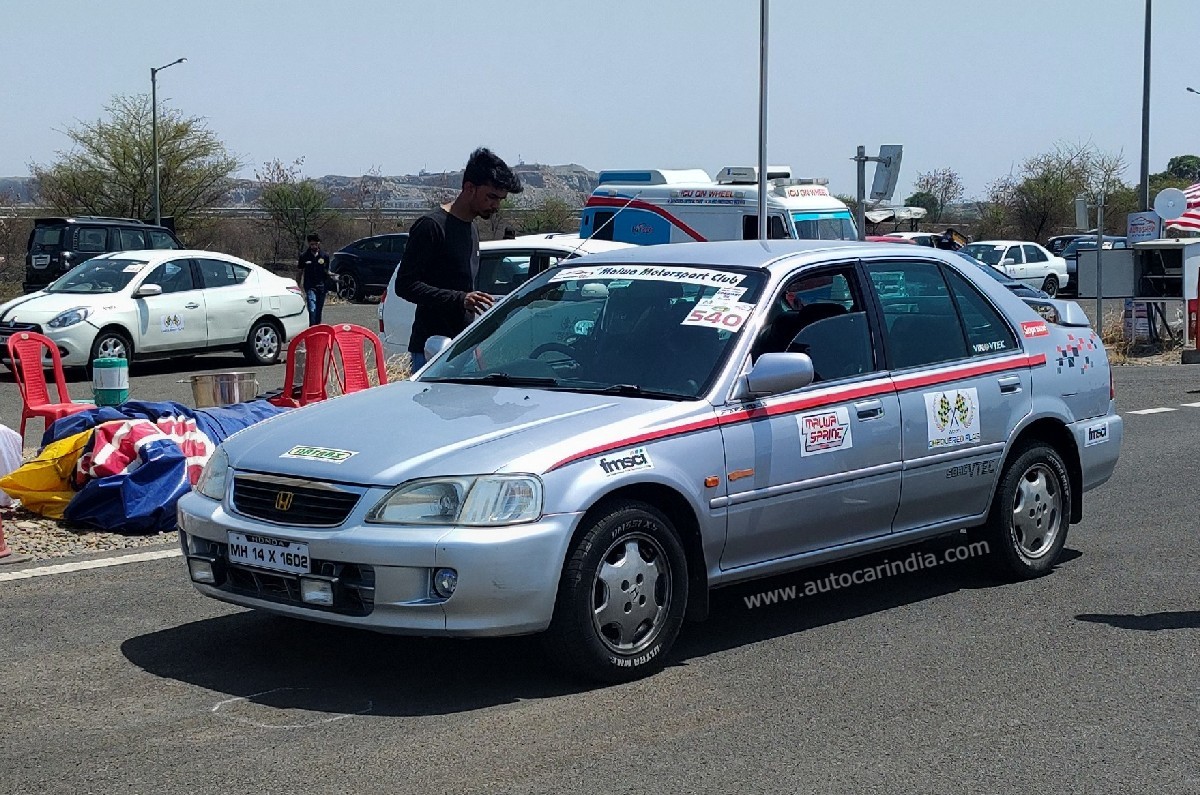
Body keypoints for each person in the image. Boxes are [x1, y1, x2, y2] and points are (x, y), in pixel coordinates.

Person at [395, 147, 523, 368]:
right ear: (469, 188)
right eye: (491, 197)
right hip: (430, 353)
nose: (495, 205)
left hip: (463, 350)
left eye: (500, 199)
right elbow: (405, 285)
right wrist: (460, 298)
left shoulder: (471, 229)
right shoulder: (431, 226)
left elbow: (464, 289)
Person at [297, 233, 331, 325]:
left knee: (318, 311)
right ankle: (312, 329)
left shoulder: (325, 256)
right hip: (310, 286)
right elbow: (300, 271)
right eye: (311, 244)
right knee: (312, 309)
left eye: (315, 244)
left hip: (322, 287)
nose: (314, 246)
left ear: (318, 243)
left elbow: (327, 272)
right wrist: (298, 285)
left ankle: (317, 330)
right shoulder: (304, 256)